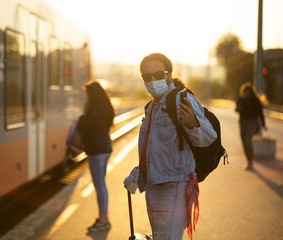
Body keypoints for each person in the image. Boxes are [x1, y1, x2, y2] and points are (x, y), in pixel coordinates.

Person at [124, 53, 217, 240]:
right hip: (155, 187)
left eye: (158, 74)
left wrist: (194, 125)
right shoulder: (152, 107)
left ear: (168, 74)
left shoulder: (180, 100)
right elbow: (155, 150)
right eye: (146, 77)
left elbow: (209, 138)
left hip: (172, 188)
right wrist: (138, 174)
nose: (152, 80)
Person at [77, 80, 115, 232]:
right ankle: (103, 218)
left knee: (99, 186)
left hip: (97, 150)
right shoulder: (106, 106)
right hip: (105, 148)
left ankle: (103, 220)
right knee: (101, 185)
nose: (86, 97)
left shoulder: (94, 108)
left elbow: (84, 125)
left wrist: (82, 116)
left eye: (87, 94)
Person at [235, 82, 267, 170]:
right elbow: (236, 110)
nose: (246, 93)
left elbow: (260, 114)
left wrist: (263, 125)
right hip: (242, 122)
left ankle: (251, 160)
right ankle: (249, 161)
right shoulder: (240, 100)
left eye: (248, 92)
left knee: (248, 141)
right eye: (245, 92)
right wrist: (238, 108)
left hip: (252, 122)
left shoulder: (255, 101)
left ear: (251, 92)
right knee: (244, 142)